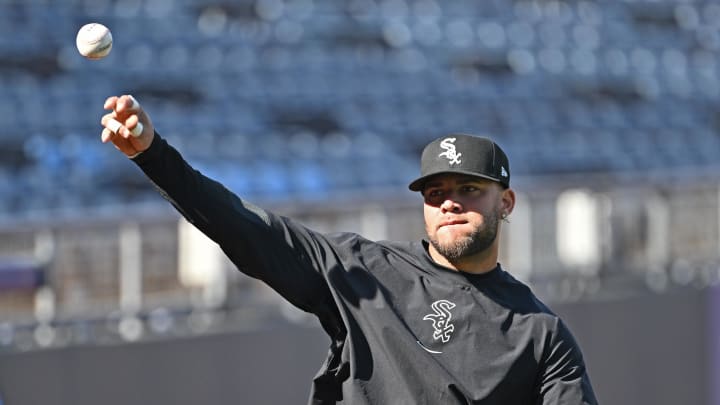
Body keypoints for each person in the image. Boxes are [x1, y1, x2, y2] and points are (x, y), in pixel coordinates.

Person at [100, 94, 599, 404]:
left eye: (469, 190)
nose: (450, 203)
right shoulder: (365, 271)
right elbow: (246, 228)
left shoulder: (540, 336)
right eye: (435, 193)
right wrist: (152, 155)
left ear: (505, 202)